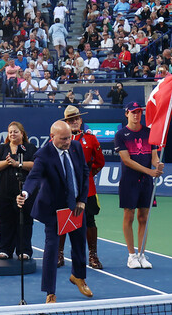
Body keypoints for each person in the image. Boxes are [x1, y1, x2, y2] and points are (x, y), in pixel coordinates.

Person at [17, 120, 93, 304]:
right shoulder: (43, 155)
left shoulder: (75, 147)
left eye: (69, 137)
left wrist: (82, 200)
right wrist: (25, 193)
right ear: (52, 138)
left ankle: (78, 277)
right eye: (64, 138)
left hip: (75, 206)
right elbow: (33, 178)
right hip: (54, 209)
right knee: (51, 250)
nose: (68, 141)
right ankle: (50, 292)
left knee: (79, 244)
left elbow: (84, 173)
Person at [114, 103, 164, 269]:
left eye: (139, 112)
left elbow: (154, 157)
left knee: (143, 218)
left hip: (146, 183)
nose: (136, 115)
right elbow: (126, 160)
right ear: (127, 114)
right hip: (129, 181)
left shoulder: (149, 133)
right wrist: (149, 172)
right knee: (129, 217)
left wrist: (157, 165)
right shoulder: (121, 135)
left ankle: (142, 254)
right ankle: (131, 255)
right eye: (133, 112)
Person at [60, 105, 106, 269]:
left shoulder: (91, 139)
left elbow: (100, 162)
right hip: (65, 187)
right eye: (70, 119)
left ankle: (92, 255)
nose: (74, 121)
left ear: (81, 120)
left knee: (89, 220)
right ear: (65, 122)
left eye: (76, 118)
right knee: (64, 219)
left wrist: (87, 175)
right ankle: (59, 254)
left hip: (87, 188)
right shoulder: (58, 138)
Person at [0, 121, 34, 260]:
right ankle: (4, 249)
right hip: (3, 192)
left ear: (22, 133)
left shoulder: (30, 148)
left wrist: (18, 164)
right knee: (5, 221)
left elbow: (35, 165)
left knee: (24, 221)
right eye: (10, 132)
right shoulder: (1, 149)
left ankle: (24, 250)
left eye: (16, 131)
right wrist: (7, 162)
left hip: (24, 193)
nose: (13, 134)